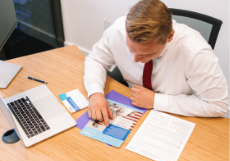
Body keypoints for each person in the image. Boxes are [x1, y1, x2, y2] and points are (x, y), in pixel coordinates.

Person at [84, 0, 229, 127]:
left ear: (170, 36)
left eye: (147, 54)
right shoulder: (118, 31)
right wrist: (95, 93)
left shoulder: (195, 53)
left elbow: (218, 105)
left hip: (175, 113)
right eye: (131, 49)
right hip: (131, 102)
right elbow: (96, 59)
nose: (135, 59)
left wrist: (156, 101)